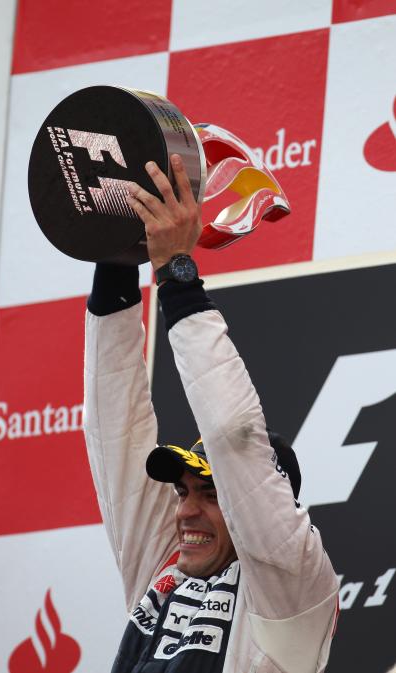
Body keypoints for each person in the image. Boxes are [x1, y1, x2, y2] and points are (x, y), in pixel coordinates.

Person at [83, 154, 339, 672]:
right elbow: (115, 431)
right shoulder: (164, 572)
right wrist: (117, 256)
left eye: (211, 493)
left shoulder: (292, 587)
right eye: (183, 492)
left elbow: (231, 436)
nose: (185, 512)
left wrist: (177, 276)